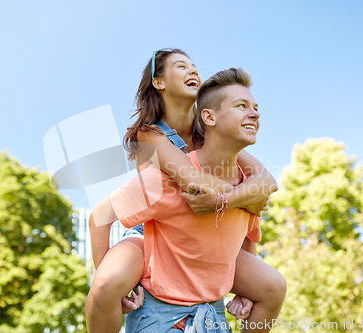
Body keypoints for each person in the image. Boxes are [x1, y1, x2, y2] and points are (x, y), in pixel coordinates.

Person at [85, 51, 285, 333]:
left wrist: (240, 197)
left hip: (209, 229)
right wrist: (247, 195)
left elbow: (266, 181)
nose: (193, 71)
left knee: (273, 286)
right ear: (159, 83)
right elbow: (193, 180)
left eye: (195, 67)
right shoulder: (150, 132)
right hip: (152, 230)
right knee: (106, 284)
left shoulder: (213, 134)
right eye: (182, 66)